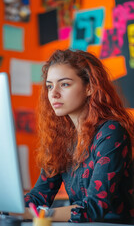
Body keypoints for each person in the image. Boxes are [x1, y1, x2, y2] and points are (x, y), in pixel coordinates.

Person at [24, 49, 134, 223]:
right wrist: (12, 209)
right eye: (50, 86)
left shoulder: (111, 131)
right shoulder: (61, 138)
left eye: (65, 84)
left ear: (89, 87)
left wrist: (38, 214)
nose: (53, 94)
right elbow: (40, 196)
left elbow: (95, 206)